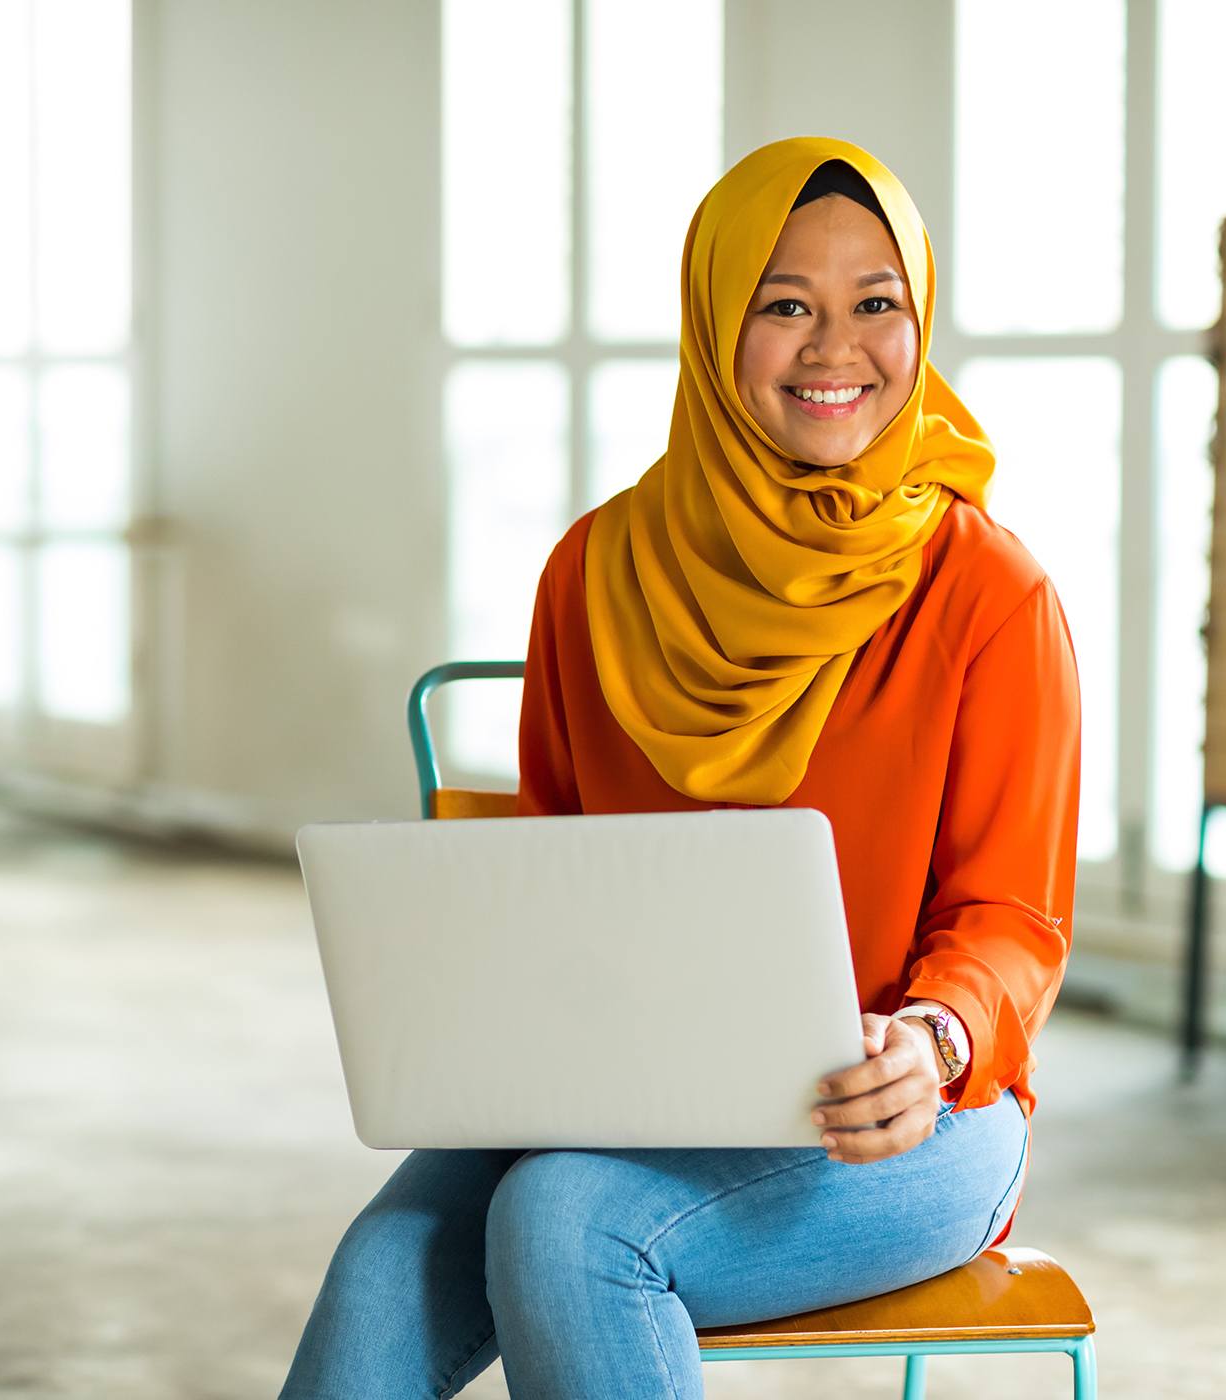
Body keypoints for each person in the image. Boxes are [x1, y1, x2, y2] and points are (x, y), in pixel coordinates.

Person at [280, 135, 1079, 1400]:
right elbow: (545, 874)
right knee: (387, 1261)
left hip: (898, 1116)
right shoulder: (594, 571)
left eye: (876, 303)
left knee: (564, 1220)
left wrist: (931, 1039)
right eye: (783, 306)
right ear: (714, 327)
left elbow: (1013, 921)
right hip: (616, 1092)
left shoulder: (988, 590)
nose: (835, 350)